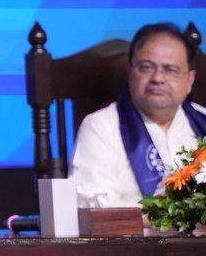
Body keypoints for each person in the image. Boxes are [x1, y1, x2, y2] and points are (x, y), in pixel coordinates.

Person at [69, 22, 206, 207]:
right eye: (146, 67)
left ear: (189, 80)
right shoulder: (100, 127)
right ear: (130, 71)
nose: (158, 78)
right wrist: (156, 218)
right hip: (130, 227)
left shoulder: (202, 121)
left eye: (170, 70)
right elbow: (93, 209)